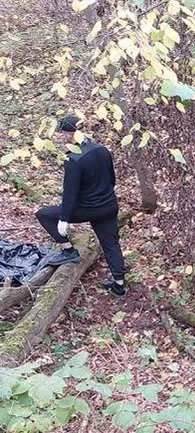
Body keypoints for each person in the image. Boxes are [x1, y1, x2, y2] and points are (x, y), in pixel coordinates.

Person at [36, 115, 126, 297]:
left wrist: (63, 219)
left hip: (89, 209)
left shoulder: (73, 160)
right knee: (111, 244)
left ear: (70, 134)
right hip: (109, 205)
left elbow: (70, 194)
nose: (63, 138)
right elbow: (112, 179)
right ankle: (119, 284)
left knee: (43, 214)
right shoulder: (103, 150)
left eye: (63, 134)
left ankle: (68, 250)